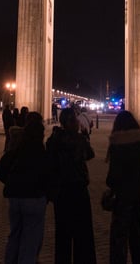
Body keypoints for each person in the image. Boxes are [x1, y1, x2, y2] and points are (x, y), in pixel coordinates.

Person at [0, 112, 50, 264]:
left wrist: (11, 183)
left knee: (15, 235)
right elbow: (49, 175)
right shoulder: (42, 153)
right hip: (35, 198)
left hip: (15, 198)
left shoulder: (15, 150)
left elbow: (1, 170)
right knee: (31, 240)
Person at [46, 106, 97, 264]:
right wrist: (83, 135)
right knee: (83, 232)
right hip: (78, 189)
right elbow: (90, 154)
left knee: (62, 233)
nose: (77, 121)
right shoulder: (79, 140)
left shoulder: (53, 140)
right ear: (69, 122)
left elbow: (49, 160)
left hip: (61, 191)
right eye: (74, 119)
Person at [105, 110, 140, 264]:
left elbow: (114, 175)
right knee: (139, 236)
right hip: (139, 193)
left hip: (122, 196)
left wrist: (110, 187)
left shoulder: (117, 143)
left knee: (119, 238)